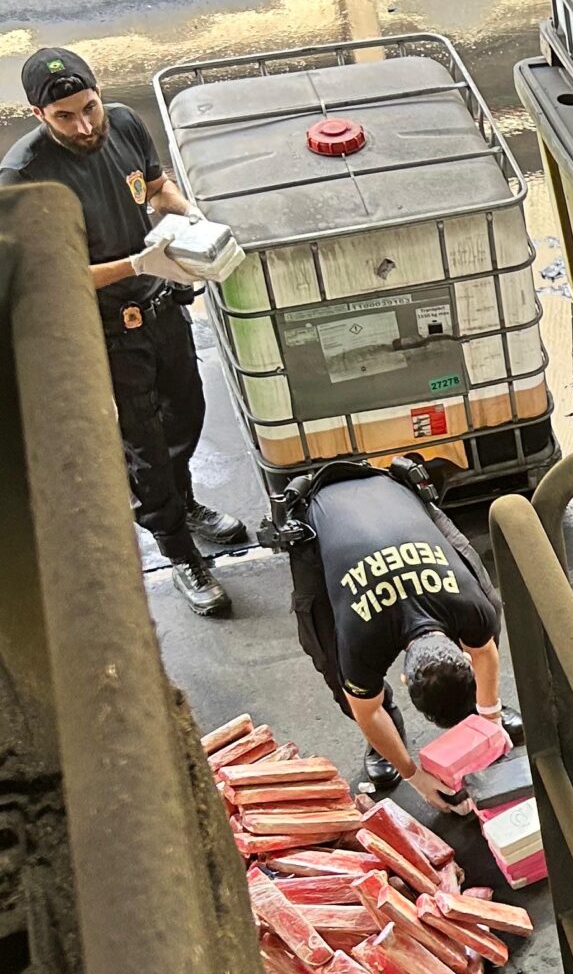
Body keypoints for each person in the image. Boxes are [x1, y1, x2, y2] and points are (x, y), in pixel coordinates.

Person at [0, 46, 244, 618]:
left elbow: (156, 189)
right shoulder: (23, 178)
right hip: (108, 327)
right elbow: (52, 279)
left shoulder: (126, 124)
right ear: (37, 115)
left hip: (161, 307)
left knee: (188, 412)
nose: (85, 126)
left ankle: (184, 504)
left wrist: (192, 224)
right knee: (145, 445)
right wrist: (137, 264)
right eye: (65, 117)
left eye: (90, 107)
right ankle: (179, 550)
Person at [284, 455, 515, 806]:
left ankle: (474, 708)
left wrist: (490, 717)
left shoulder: (473, 609)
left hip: (391, 491)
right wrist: (414, 775)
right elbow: (367, 709)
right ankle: (386, 740)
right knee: (333, 661)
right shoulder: (364, 639)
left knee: (489, 606)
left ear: (465, 658)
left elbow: (485, 652)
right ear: (404, 681)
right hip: (319, 515)